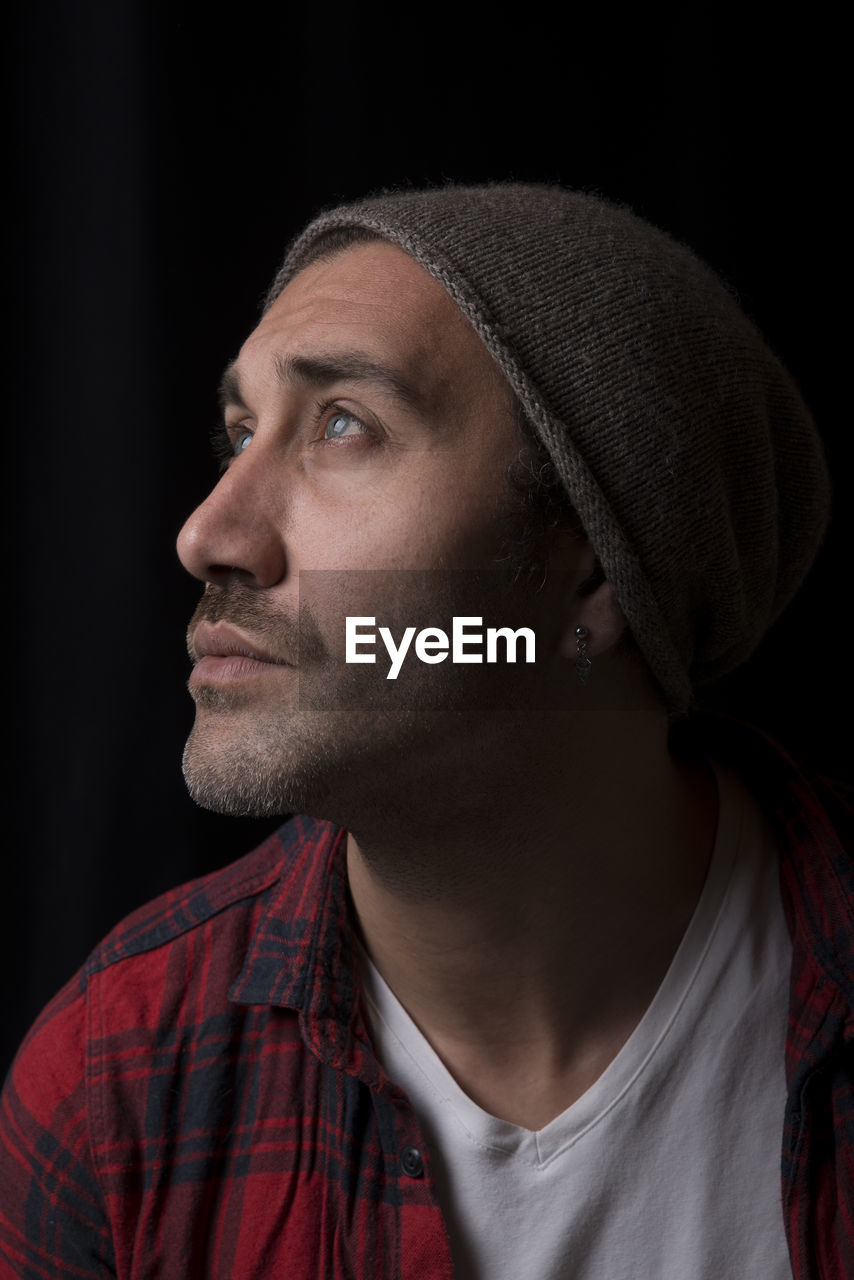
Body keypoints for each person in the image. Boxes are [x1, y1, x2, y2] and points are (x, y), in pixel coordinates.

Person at [0, 184, 850, 1280]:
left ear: (588, 568)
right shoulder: (117, 1086)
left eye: (342, 423)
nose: (208, 533)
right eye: (240, 434)